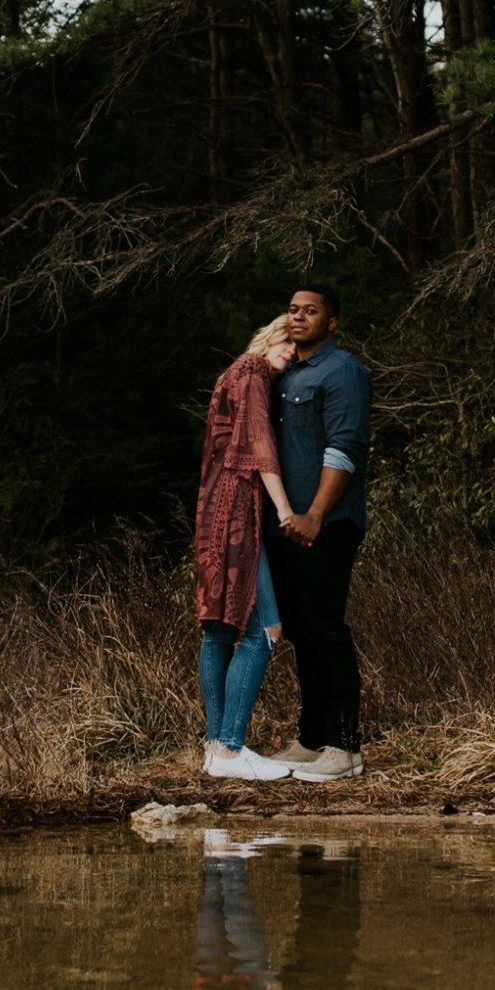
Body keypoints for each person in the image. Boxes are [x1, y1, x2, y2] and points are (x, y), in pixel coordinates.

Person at [264, 285, 372, 781]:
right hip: (284, 524)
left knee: (326, 629)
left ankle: (345, 748)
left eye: (311, 310)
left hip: (326, 523)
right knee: (301, 631)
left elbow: (345, 447)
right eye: (293, 309)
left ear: (332, 322)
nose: (299, 316)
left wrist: (315, 513)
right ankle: (312, 739)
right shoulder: (284, 373)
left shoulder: (343, 371)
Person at [194, 319, 299, 781]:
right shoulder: (253, 371)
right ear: (270, 335)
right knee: (266, 629)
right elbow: (260, 448)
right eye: (287, 341)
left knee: (219, 631)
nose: (291, 351)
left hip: (211, 510)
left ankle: (215, 748)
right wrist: (285, 509)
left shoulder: (231, 374)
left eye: (297, 347)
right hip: (236, 513)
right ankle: (231, 749)